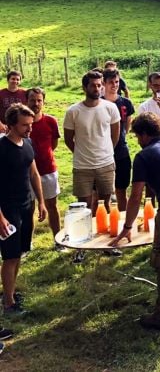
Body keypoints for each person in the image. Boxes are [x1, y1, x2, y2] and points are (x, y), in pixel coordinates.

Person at [110, 112, 160, 330]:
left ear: (145, 134)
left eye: (138, 136)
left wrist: (127, 226)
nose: (138, 141)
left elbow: (136, 195)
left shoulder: (144, 156)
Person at [63, 70, 121, 264]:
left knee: (106, 204)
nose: (97, 88)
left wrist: (106, 152)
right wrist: (81, 153)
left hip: (106, 163)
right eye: (93, 85)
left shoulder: (110, 108)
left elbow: (115, 135)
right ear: (85, 87)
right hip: (82, 166)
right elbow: (68, 139)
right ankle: (82, 246)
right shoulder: (73, 111)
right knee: (84, 207)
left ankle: (106, 243)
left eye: (99, 85)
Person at [0, 104, 46, 315]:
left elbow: (34, 173)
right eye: (25, 125)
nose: (30, 128)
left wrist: (41, 202)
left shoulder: (27, 143)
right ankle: (8, 303)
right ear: (11, 125)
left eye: (31, 124)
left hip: (27, 205)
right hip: (8, 210)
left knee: (19, 252)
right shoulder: (2, 149)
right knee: (10, 256)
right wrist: (1, 217)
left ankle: (11, 292)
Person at [26, 88, 62, 250]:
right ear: (26, 101)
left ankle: (58, 241)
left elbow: (53, 144)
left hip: (48, 170)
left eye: (39, 100)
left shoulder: (51, 121)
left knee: (52, 206)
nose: (36, 103)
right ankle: (27, 243)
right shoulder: (22, 123)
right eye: (32, 100)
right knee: (28, 209)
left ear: (43, 102)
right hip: (26, 173)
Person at [103, 68, 135, 209]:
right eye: (111, 82)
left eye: (116, 82)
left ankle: (123, 218)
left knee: (121, 190)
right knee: (102, 195)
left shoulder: (126, 103)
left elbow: (127, 125)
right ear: (104, 83)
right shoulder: (98, 103)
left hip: (121, 151)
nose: (114, 85)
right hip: (102, 153)